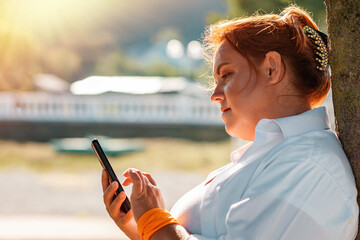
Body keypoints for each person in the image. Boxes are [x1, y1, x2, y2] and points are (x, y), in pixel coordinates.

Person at [101, 5, 359, 240]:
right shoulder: (275, 154)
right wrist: (140, 226)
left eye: (226, 75)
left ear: (272, 68)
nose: (214, 94)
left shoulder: (308, 165)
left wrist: (155, 221)